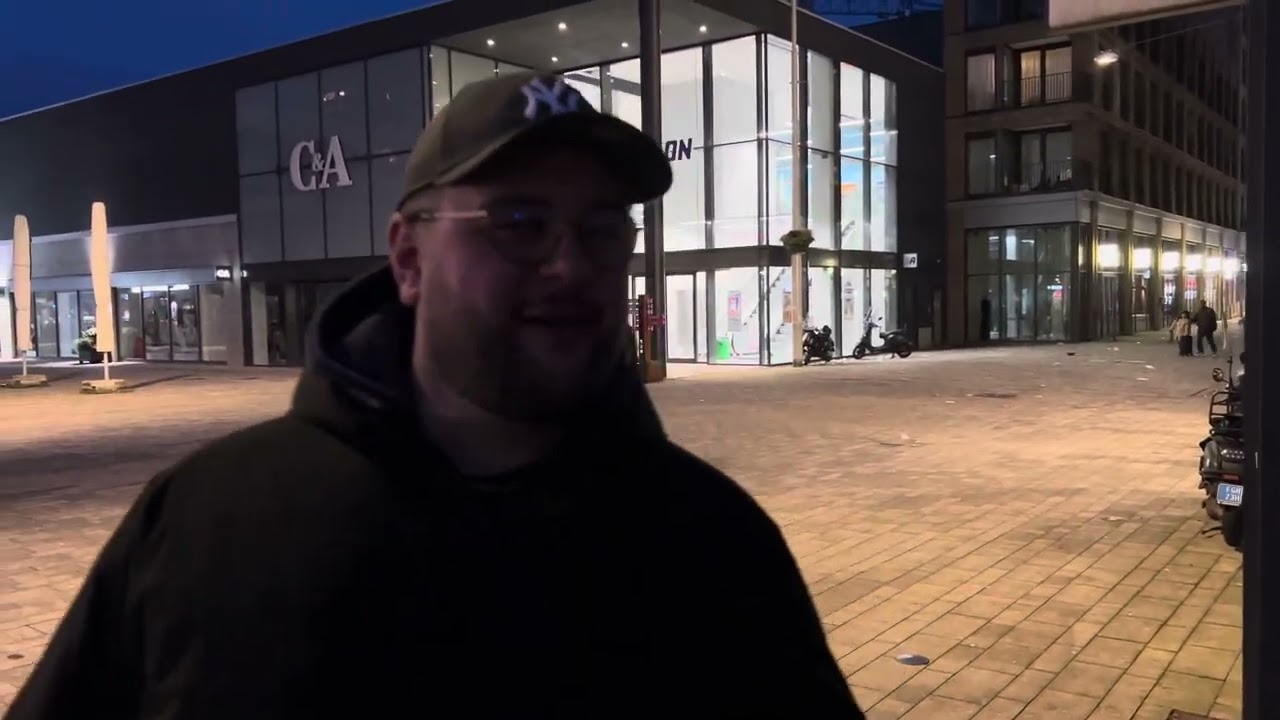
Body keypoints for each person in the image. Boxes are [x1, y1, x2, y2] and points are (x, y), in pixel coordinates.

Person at [6, 72, 863, 719]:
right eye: (519, 223)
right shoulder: (205, 523)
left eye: (603, 230)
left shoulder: (712, 547)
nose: (570, 265)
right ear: (409, 260)